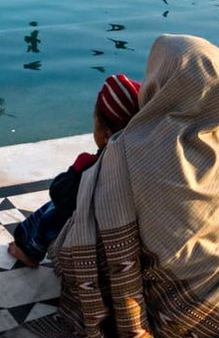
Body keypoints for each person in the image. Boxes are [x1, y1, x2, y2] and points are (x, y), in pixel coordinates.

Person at [0, 35, 219, 338]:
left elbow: (86, 215)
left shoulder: (129, 148)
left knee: (85, 233)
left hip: (174, 332)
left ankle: (30, 244)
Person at [8, 74, 141, 268]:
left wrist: (75, 170)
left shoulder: (90, 166)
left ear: (105, 135)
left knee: (52, 211)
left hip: (92, 245)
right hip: (132, 244)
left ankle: (30, 250)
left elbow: (59, 193)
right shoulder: (146, 161)